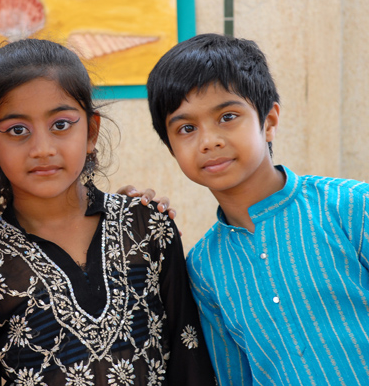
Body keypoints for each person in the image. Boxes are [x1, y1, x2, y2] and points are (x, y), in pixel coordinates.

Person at [0, 38, 215, 385]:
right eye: (17, 131)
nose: (42, 149)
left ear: (91, 131)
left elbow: (189, 359)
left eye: (61, 125)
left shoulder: (147, 227)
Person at [147, 33, 369, 385]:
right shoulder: (204, 268)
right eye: (186, 128)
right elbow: (235, 377)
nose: (209, 141)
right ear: (171, 147)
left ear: (269, 121)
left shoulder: (351, 207)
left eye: (228, 116)